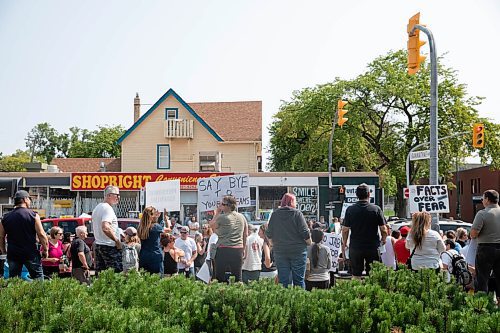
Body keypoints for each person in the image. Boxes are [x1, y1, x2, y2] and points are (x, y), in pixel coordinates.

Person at [0, 190, 48, 280]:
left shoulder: (5, 217)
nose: (30, 201)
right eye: (29, 199)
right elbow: (41, 234)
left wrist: (4, 251)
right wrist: (45, 250)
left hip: (13, 253)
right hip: (30, 253)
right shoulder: (33, 215)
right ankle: (39, 294)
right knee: (38, 277)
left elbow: (1, 236)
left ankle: (13, 294)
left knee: (14, 280)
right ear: (25, 199)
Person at [266, 193, 311, 288]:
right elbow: (305, 233)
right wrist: (309, 242)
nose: (296, 203)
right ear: (291, 202)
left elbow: (269, 233)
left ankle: (283, 301)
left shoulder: (275, 214)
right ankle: (299, 301)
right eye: (295, 201)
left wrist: (272, 244)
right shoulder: (297, 213)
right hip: (298, 250)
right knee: (299, 280)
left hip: (280, 250)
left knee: (283, 280)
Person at [341, 184, 386, 278]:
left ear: (356, 195)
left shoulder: (350, 209)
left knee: (356, 275)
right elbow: (383, 229)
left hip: (356, 246)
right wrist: (383, 239)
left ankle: (356, 292)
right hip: (372, 246)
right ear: (369, 194)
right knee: (373, 275)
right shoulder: (376, 209)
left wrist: (344, 243)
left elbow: (345, 230)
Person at [209, 195, 248, 283]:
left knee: (219, 278)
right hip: (238, 249)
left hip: (223, 249)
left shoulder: (222, 217)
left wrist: (217, 212)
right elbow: (245, 234)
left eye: (222, 204)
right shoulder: (242, 217)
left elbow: (211, 225)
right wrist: (243, 248)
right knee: (238, 278)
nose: (220, 205)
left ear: (228, 206)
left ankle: (220, 296)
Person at [470, 189, 500, 298]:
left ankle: (481, 306)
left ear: (487, 199)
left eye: (483, 199)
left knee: (482, 278)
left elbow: (473, 233)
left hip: (486, 248)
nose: (482, 201)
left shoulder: (483, 213)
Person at [92, 185, 122, 274]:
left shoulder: (97, 207)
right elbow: (105, 227)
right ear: (109, 195)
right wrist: (117, 240)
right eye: (116, 195)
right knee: (115, 277)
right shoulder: (107, 209)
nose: (118, 197)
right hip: (109, 247)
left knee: (101, 278)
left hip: (99, 245)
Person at [137, 206, 164, 275]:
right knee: (157, 279)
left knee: (145, 278)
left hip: (144, 255)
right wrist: (160, 218)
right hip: (155, 255)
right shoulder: (155, 227)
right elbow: (167, 230)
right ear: (151, 216)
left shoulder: (140, 227)